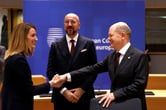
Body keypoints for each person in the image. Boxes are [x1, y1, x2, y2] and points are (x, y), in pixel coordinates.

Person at [53, 22, 149, 110]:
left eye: (111, 35)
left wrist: (115, 95)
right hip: (116, 106)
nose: (108, 39)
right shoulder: (112, 56)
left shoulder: (139, 56)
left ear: (122, 36)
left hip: (133, 105)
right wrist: (67, 76)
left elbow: (139, 84)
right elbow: (92, 69)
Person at [46, 13, 98, 110]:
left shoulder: (88, 44)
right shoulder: (55, 45)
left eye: (73, 22)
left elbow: (93, 70)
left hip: (84, 96)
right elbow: (50, 72)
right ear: (64, 25)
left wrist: (81, 90)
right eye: (67, 22)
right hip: (61, 98)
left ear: (79, 25)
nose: (69, 24)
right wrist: (64, 91)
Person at [1, 23, 57, 110]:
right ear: (23, 38)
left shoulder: (12, 58)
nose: (36, 39)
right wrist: (51, 83)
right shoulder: (19, 61)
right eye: (33, 35)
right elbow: (29, 90)